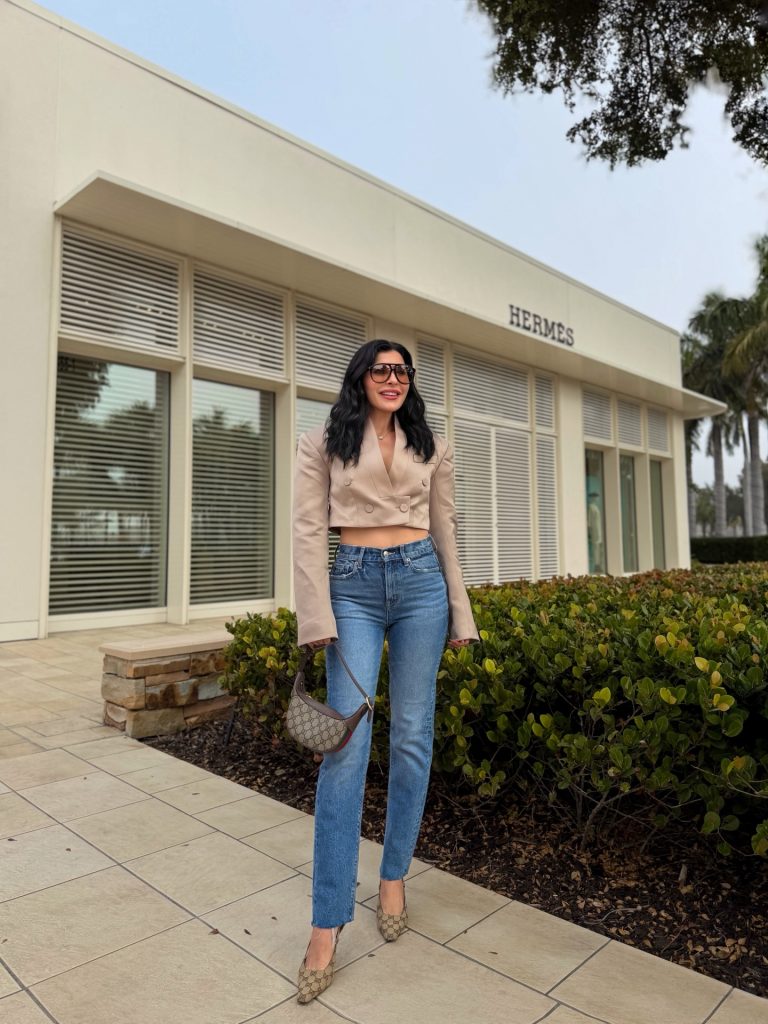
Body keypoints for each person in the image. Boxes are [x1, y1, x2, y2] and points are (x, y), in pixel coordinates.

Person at [292, 339, 478, 1002]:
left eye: (402, 371)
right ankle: (326, 923)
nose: (393, 379)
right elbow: (308, 528)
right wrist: (314, 617)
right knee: (345, 746)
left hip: (424, 584)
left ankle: (394, 875)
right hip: (353, 587)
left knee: (412, 738)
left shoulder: (432, 442)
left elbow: (446, 527)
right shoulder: (322, 441)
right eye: (382, 369)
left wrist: (463, 613)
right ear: (361, 376)